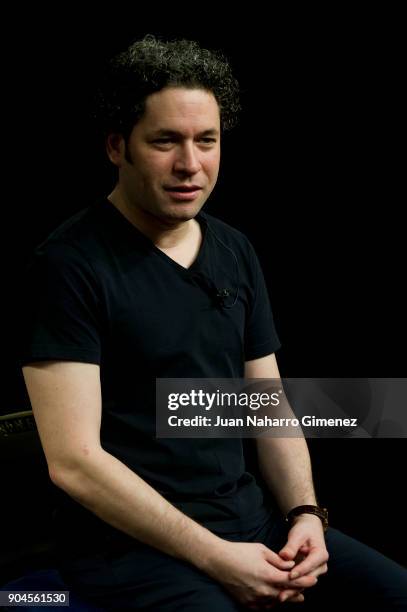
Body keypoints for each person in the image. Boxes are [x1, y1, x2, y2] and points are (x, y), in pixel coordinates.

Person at [20, 35, 406, 611]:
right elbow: (74, 462)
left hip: (252, 524)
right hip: (130, 551)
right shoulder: (67, 265)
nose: (190, 165)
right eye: (164, 141)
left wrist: (305, 515)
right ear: (115, 146)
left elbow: (267, 405)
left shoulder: (234, 250)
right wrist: (217, 556)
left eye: (207, 141)